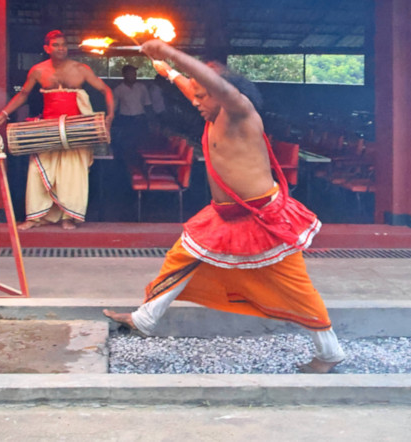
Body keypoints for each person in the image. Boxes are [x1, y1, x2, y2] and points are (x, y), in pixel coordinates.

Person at [103, 40, 346, 374]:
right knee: (181, 258)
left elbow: (213, 84)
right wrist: (164, 67)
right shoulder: (212, 106)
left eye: (202, 95)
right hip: (224, 216)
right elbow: (192, 84)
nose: (196, 101)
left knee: (295, 288)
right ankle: (144, 318)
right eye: (197, 95)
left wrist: (170, 52)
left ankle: (330, 354)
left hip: (262, 219)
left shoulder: (239, 110)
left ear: (223, 92)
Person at [0, 30, 113, 230]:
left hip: (76, 129)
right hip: (47, 129)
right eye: (56, 45)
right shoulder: (38, 70)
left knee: (72, 173)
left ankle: (68, 217)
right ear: (47, 48)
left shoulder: (80, 68)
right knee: (38, 171)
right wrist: (2, 114)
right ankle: (34, 217)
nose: (61, 48)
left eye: (63, 44)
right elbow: (23, 94)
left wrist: (110, 116)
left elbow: (105, 89)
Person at [112, 64, 151, 165]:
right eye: (130, 73)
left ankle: (140, 167)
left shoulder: (141, 87)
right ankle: (127, 167)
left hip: (140, 119)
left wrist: (151, 120)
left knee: (141, 144)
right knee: (126, 145)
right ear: (124, 75)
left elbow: (147, 104)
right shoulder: (118, 89)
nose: (133, 75)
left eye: (134, 73)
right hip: (126, 120)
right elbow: (114, 108)